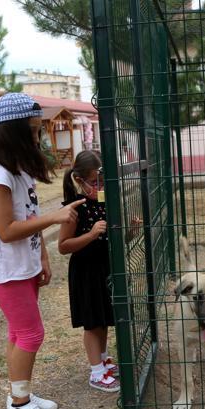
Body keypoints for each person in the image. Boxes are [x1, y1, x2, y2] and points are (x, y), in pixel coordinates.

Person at [0, 92, 85, 409]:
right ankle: (19, 406)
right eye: (34, 130)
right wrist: (56, 218)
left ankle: (19, 393)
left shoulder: (18, 170)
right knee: (30, 334)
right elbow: (7, 230)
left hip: (23, 265)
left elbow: (29, 215)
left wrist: (42, 258)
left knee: (19, 333)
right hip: (5, 270)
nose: (37, 137)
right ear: (13, 132)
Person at [58, 151, 132, 392]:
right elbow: (63, 246)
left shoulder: (103, 202)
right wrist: (90, 234)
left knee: (103, 319)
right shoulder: (74, 209)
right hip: (86, 272)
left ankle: (104, 360)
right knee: (92, 324)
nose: (100, 187)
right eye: (95, 182)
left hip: (105, 268)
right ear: (79, 180)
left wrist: (130, 230)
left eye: (103, 181)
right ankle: (96, 372)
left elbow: (114, 238)